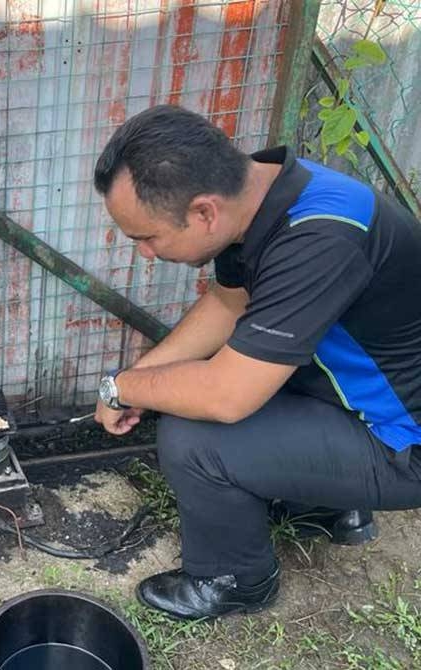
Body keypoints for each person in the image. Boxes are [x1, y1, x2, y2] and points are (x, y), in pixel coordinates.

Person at [91, 105, 421, 620]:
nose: (146, 254)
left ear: (203, 213)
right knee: (234, 373)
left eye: (147, 237)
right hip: (358, 398)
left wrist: (129, 389)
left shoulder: (319, 238)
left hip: (402, 442)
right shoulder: (268, 197)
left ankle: (235, 579)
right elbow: (228, 303)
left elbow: (225, 397)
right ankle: (330, 505)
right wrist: (126, 381)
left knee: (193, 435)